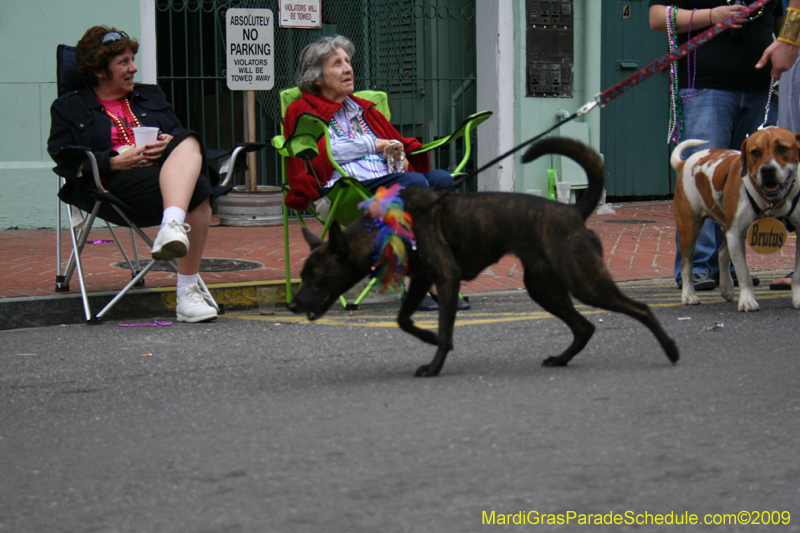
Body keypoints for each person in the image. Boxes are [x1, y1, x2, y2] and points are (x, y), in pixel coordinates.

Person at [49, 26, 225, 322]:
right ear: (101, 71)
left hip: (166, 177)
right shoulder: (69, 106)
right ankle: (186, 290)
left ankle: (173, 229)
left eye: (132, 60)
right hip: (112, 187)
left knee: (188, 140)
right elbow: (62, 157)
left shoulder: (149, 95)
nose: (133, 68)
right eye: (124, 62)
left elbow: (178, 132)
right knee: (199, 188)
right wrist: (111, 162)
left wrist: (169, 142)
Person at [284, 35, 467, 311]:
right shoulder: (303, 111)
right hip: (347, 192)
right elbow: (323, 153)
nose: (348, 68)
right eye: (337, 63)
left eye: (348, 61)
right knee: (414, 185)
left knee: (440, 180)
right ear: (317, 78)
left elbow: (396, 144)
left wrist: (400, 156)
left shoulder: (363, 109)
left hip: (386, 182)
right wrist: (376, 144)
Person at [650, 0, 785, 291]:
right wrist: (713, 16)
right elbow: (657, 18)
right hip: (705, 88)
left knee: (747, 184)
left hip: (762, 88)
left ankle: (731, 266)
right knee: (701, 182)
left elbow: (779, 23)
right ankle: (697, 266)